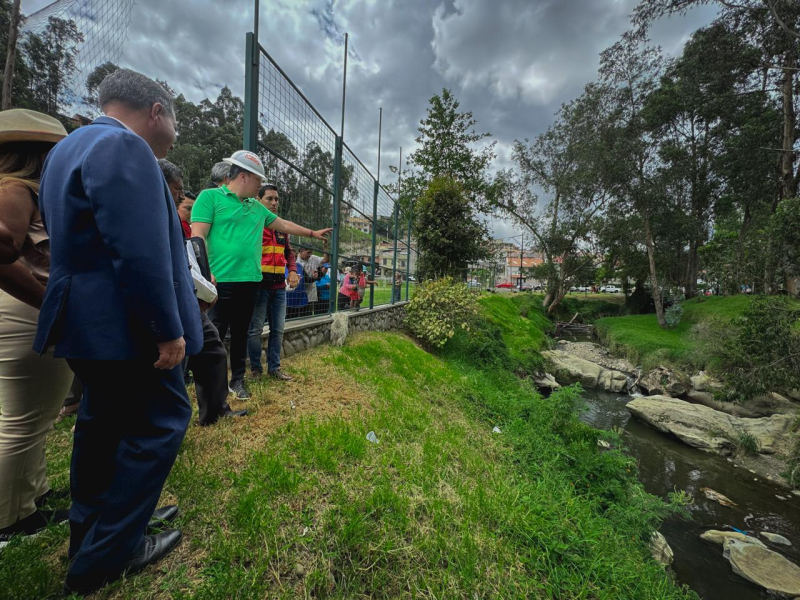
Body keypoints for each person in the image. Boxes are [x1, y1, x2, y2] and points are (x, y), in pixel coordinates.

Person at [34, 69, 203, 596]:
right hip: (127, 326)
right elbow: (139, 253)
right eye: (175, 121)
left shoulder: (68, 148)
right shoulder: (127, 149)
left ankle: (93, 531)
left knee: (101, 425)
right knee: (159, 423)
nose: (174, 134)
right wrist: (165, 329)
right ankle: (111, 552)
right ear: (156, 111)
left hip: (84, 321)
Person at [190, 150, 330, 400]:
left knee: (242, 333)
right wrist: (205, 272)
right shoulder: (210, 198)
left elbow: (284, 225)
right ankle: (210, 385)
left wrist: (311, 233)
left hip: (250, 283)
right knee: (214, 335)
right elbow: (197, 235)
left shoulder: (256, 208)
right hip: (218, 282)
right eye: (258, 181)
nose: (259, 186)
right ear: (243, 176)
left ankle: (238, 381)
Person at [0, 109, 74, 548]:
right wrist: (48, 303)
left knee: (35, 416)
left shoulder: (22, 191)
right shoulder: (16, 190)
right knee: (22, 421)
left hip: (25, 315)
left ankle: (32, 498)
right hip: (25, 316)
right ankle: (8, 521)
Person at [158, 159, 247, 425]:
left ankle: (215, 411)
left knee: (212, 350)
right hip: (166, 301)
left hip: (188, 297)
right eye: (177, 189)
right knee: (174, 363)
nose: (182, 196)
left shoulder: (170, 218)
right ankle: (165, 422)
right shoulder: (146, 216)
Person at [247, 184, 297, 381]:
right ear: (259, 200)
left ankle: (274, 368)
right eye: (269, 199)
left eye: (276, 199)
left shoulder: (281, 228)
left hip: (279, 287)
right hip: (259, 286)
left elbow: (288, 252)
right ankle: (256, 370)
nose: (274, 203)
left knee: (278, 329)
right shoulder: (252, 224)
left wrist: (292, 270)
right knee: (255, 330)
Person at [296, 246, 328, 316]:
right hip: (297, 290)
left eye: (311, 253)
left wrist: (325, 247)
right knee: (295, 312)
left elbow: (325, 260)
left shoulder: (313, 258)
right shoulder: (295, 260)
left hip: (310, 291)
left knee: (308, 313)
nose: (310, 255)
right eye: (308, 253)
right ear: (301, 251)